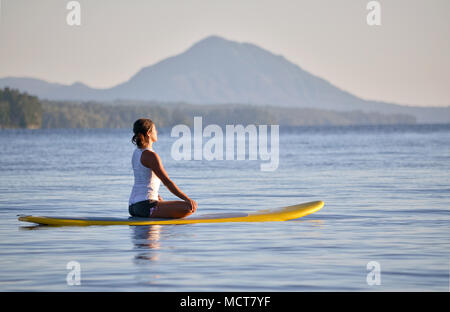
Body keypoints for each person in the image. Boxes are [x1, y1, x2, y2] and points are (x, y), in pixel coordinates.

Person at [128, 118, 198, 218]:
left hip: (132, 206)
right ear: (149, 133)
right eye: (154, 130)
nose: (156, 132)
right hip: (145, 206)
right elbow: (167, 182)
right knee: (189, 207)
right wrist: (187, 199)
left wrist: (156, 196)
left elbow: (144, 180)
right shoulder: (151, 156)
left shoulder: (136, 153)